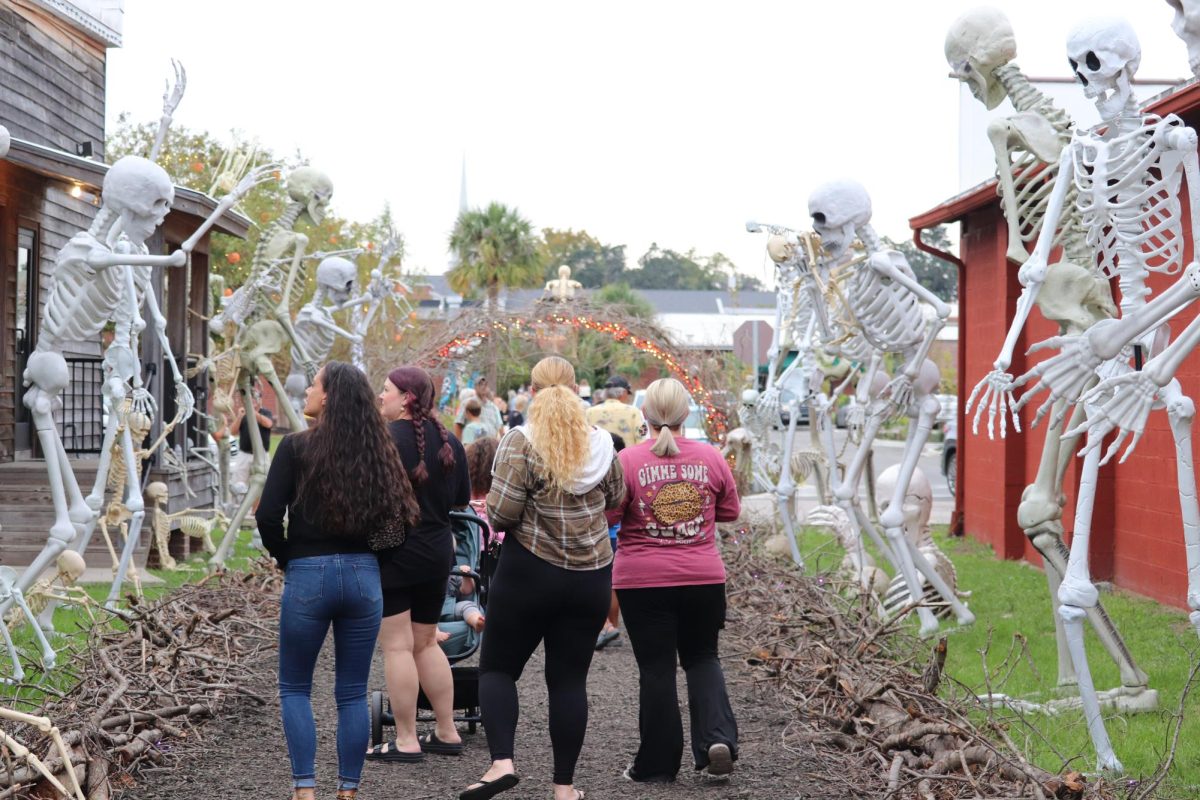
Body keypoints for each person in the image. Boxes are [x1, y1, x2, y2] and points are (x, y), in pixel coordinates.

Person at [462, 356, 625, 800]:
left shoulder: (520, 441)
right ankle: (564, 788)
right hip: (590, 577)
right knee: (569, 681)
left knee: (497, 669)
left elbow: (500, 513)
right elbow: (616, 496)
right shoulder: (602, 444)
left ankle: (501, 764)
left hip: (530, 571)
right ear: (576, 390)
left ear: (532, 392)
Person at [258, 361, 420, 800]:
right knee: (351, 693)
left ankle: (305, 790)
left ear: (328, 396)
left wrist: (289, 557)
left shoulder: (295, 448)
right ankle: (347, 792)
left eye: (313, 384)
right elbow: (402, 525)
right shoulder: (379, 451)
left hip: (308, 575)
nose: (307, 391)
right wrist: (373, 560)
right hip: (363, 575)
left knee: (295, 687)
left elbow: (268, 516)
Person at [611, 377, 741, 783]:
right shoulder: (711, 457)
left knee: (657, 669)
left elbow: (610, 518)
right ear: (686, 414)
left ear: (644, 415)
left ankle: (656, 765)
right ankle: (716, 740)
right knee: (703, 657)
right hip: (703, 577)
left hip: (642, 582)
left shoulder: (628, 461)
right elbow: (731, 510)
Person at [371, 366, 471, 761]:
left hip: (395, 551)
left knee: (397, 647)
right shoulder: (450, 442)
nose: (381, 396)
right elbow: (461, 500)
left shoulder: (383, 442)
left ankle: (407, 740)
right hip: (437, 549)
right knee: (427, 643)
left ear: (406, 397)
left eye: (386, 389)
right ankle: (446, 732)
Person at [587, 376, 646, 649]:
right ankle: (614, 624)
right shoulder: (634, 414)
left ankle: (597, 623)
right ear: (623, 394)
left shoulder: (590, 412)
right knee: (616, 562)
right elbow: (644, 448)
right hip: (624, 487)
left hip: (592, 487)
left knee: (594, 562)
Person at [230, 385, 274, 490]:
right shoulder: (243, 414)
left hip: (262, 455)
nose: (252, 400)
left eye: (255, 397)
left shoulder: (266, 412)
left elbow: (268, 424)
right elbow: (232, 431)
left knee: (264, 485)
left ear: (260, 400)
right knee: (238, 484)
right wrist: (239, 417)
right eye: (250, 398)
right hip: (244, 455)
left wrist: (253, 413)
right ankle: (239, 505)